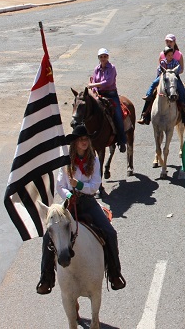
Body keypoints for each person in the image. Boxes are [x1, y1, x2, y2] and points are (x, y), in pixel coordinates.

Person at [36, 125, 126, 294]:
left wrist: (79, 185)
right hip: (69, 205)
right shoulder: (66, 162)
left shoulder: (95, 160)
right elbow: (60, 187)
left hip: (88, 203)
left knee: (110, 232)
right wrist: (69, 196)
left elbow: (95, 186)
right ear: (75, 142)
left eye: (86, 139)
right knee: (48, 235)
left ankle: (115, 273)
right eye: (81, 140)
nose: (85, 142)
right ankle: (46, 278)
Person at [137, 46, 185, 126]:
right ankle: (145, 113)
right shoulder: (163, 62)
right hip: (163, 77)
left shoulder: (175, 62)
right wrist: (163, 73)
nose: (170, 57)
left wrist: (173, 71)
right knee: (154, 83)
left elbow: (179, 69)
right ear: (165, 56)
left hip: (173, 78)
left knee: (182, 91)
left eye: (171, 55)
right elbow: (159, 70)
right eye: (169, 55)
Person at [87, 48, 126, 152]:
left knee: (118, 115)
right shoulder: (96, 69)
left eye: (105, 56)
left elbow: (108, 82)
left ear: (107, 57)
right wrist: (94, 90)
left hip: (111, 94)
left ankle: (122, 140)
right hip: (99, 95)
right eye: (101, 57)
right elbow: (94, 81)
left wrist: (93, 85)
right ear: (99, 58)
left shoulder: (112, 68)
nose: (103, 58)